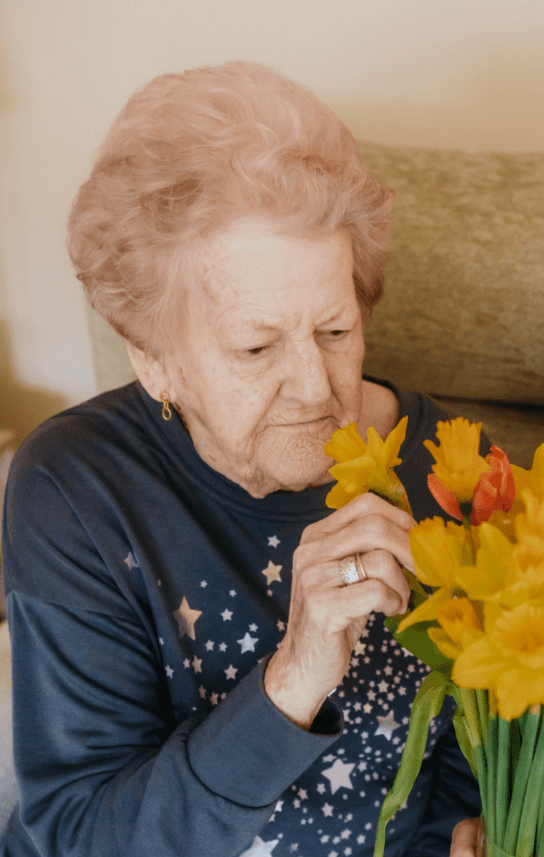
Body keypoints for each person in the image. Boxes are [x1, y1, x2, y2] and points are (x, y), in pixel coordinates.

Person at [0, 61, 481, 857]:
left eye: (335, 331)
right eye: (256, 346)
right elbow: (85, 836)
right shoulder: (76, 488)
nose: (313, 388)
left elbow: (470, 787)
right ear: (153, 357)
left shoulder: (450, 471)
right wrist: (294, 677)